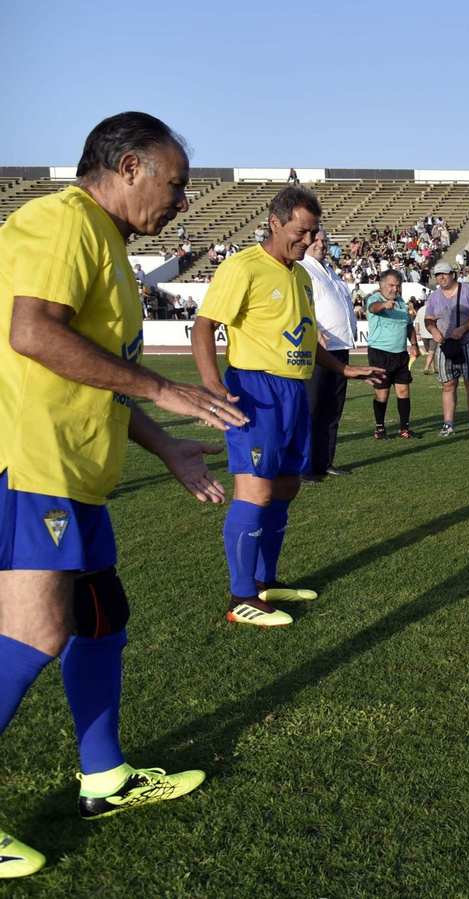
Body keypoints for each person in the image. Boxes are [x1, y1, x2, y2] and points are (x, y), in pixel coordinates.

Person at [0, 111, 246, 879]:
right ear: (130, 165)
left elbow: (92, 374)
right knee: (36, 632)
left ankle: (104, 777)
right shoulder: (61, 219)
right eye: (174, 184)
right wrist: (165, 393)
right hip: (34, 464)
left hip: (79, 468)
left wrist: (164, 443)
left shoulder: (106, 244)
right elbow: (33, 334)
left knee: (102, 619)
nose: (181, 202)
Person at [191, 186, 383, 628]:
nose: (309, 239)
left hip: (294, 391)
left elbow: (305, 337)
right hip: (255, 392)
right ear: (275, 223)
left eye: (314, 232)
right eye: (301, 231)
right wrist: (210, 384)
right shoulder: (243, 267)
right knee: (255, 490)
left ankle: (265, 581)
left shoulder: (299, 275)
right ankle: (242, 596)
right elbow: (204, 328)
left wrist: (342, 370)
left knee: (286, 488)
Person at [300, 228, 358, 482]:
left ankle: (325, 462)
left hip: (340, 347)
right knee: (311, 409)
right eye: (317, 240)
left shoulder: (330, 271)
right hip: (318, 349)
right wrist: (314, 331)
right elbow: (302, 303)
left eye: (325, 241)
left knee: (332, 410)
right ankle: (302, 467)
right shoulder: (303, 268)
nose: (322, 244)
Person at [424, 261, 469, 437]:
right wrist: (433, 330)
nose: (441, 277)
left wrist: (463, 328)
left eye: (444, 274)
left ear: (453, 274)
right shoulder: (434, 296)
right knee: (448, 385)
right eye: (438, 275)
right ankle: (448, 424)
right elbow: (429, 318)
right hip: (446, 346)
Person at [365, 269, 422, 440]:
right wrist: (383, 305)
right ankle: (380, 428)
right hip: (380, 354)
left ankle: (404, 428)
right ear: (381, 285)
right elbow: (373, 308)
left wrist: (414, 344)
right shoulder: (375, 299)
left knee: (404, 391)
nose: (394, 289)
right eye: (391, 285)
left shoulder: (402, 303)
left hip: (400, 355)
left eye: (397, 286)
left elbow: (409, 325)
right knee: (382, 394)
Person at [412, 297, 436, 375]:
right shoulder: (434, 310)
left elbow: (416, 323)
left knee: (429, 352)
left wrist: (418, 333)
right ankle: (426, 367)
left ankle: (433, 369)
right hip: (432, 333)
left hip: (423, 334)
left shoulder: (420, 310)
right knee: (432, 352)